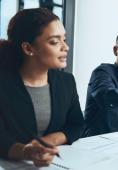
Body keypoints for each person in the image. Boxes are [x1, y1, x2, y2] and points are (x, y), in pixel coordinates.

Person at [0, 8, 84, 167]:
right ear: (28, 48)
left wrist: (50, 140)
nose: (65, 47)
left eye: (64, 39)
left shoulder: (66, 81)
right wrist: (27, 151)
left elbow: (77, 124)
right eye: (54, 41)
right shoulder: (3, 84)